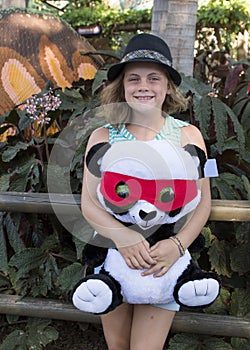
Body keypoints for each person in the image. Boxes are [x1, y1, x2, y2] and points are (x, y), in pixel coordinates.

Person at [81, 33, 212, 350]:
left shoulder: (187, 136)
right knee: (118, 345)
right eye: (134, 78)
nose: (143, 86)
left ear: (167, 87)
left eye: (154, 78)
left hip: (161, 262)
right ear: (122, 86)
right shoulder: (103, 136)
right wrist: (122, 237)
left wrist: (177, 246)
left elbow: (203, 201)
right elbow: (89, 200)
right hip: (114, 258)